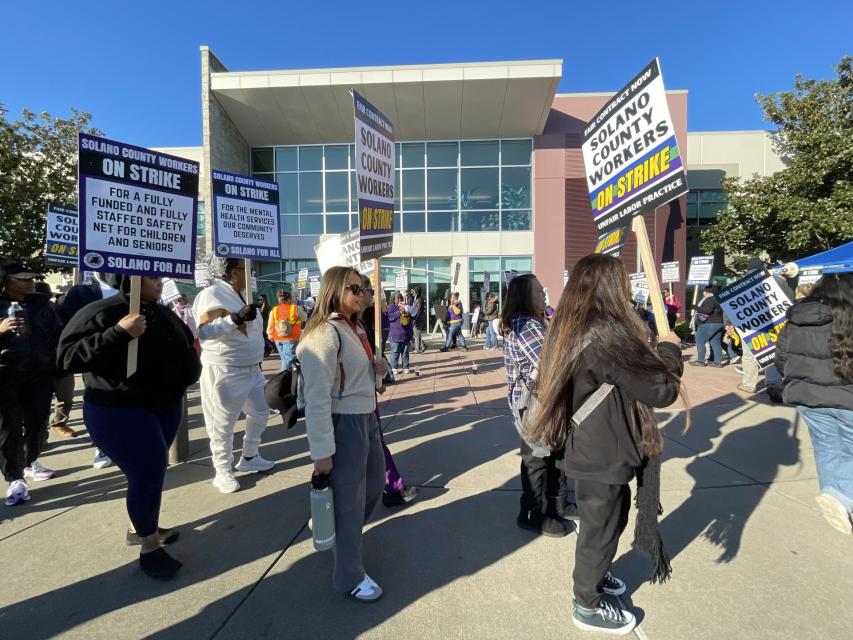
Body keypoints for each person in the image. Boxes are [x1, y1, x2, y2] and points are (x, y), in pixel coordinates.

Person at [529, 254, 684, 635]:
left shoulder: (569, 326)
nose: (628, 288)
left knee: (606, 521)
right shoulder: (606, 333)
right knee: (601, 528)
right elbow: (660, 390)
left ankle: (596, 575)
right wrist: (669, 350)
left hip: (588, 443)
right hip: (602, 448)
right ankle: (587, 603)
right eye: (623, 282)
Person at [57, 275, 201, 578]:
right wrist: (118, 333)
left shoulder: (162, 312)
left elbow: (186, 342)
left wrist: (191, 361)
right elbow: (67, 358)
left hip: (164, 405)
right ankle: (149, 547)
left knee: (153, 471)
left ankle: (140, 526)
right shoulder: (101, 312)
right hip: (120, 409)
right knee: (147, 472)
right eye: (152, 276)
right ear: (130, 277)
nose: (159, 282)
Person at [297, 266, 389, 601]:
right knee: (350, 503)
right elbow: (317, 398)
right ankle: (350, 576)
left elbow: (364, 378)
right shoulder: (324, 333)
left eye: (365, 288)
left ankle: (337, 528)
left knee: (374, 484)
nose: (363, 293)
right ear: (335, 289)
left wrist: (379, 370)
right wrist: (321, 452)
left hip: (366, 417)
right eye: (355, 288)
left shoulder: (356, 327)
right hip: (343, 422)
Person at [776, 273, 853, 535]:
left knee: (827, 448)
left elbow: (781, 359)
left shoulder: (797, 317)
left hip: (807, 396)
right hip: (847, 398)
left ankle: (836, 499)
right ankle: (841, 497)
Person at [502, 274, 575, 538]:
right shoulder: (526, 325)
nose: (544, 295)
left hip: (542, 401)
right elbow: (551, 365)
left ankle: (558, 502)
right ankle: (531, 513)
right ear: (524, 297)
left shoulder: (533, 322)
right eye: (538, 292)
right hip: (535, 403)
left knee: (553, 453)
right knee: (537, 458)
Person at [193, 257, 274, 494]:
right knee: (222, 423)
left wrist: (262, 343)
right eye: (245, 268)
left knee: (261, 412)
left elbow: (251, 329)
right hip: (225, 369)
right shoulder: (211, 294)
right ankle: (222, 470)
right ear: (233, 272)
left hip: (252, 368)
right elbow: (204, 332)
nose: (250, 272)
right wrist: (235, 318)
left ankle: (249, 456)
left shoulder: (244, 294)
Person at [1, 261, 64, 504]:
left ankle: (29, 461)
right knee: (9, 427)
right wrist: (1, 329)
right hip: (6, 374)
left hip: (40, 374)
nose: (30, 283)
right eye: (22, 279)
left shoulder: (41, 304)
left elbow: (57, 334)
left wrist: (57, 363)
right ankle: (14, 477)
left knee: (38, 424)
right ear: (5, 282)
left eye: (31, 278)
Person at [359, 276, 418, 507]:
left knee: (374, 442)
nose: (372, 293)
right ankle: (391, 486)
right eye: (365, 289)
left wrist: (378, 368)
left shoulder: (361, 321)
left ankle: (391, 486)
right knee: (371, 444)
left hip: (365, 396)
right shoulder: (337, 327)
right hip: (351, 403)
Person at [56, 272, 120, 467]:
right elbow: (70, 327)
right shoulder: (81, 291)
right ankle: (102, 446)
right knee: (100, 402)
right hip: (97, 359)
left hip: (130, 357)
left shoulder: (132, 286)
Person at [738, 257, 793, 393]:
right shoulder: (776, 281)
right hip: (774, 324)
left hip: (750, 325)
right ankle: (773, 383)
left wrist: (729, 323)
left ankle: (749, 384)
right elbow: (790, 299)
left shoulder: (739, 284)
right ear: (763, 268)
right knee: (771, 352)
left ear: (748, 269)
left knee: (749, 355)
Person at [267, 290, 307, 371]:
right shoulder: (295, 308)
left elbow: (270, 324)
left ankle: (289, 376)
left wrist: (269, 334)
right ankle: (283, 376)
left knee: (284, 359)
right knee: (288, 360)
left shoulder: (274, 309)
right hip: (291, 338)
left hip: (277, 338)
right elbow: (305, 318)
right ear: (289, 299)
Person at [690, 285, 724, 367]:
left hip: (709, 323)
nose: (703, 293)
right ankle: (717, 362)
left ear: (707, 292)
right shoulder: (719, 299)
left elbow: (707, 310)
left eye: (704, 291)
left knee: (700, 340)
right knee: (715, 342)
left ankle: (701, 361)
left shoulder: (710, 299)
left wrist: (695, 307)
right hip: (719, 323)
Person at [387, 293, 413, 374]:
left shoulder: (405, 306)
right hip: (395, 335)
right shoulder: (391, 307)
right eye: (397, 298)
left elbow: (410, 320)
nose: (399, 300)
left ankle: (406, 367)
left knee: (405, 352)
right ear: (393, 299)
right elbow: (390, 317)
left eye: (401, 298)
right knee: (395, 352)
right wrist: (399, 312)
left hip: (405, 334)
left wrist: (408, 312)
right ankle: (394, 367)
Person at [410, 288, 427, 354]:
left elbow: (419, 310)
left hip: (418, 319)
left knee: (416, 334)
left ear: (417, 292)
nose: (412, 293)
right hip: (416, 318)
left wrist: (415, 319)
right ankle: (422, 346)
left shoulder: (419, 299)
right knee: (416, 334)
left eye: (413, 292)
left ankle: (417, 349)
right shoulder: (417, 298)